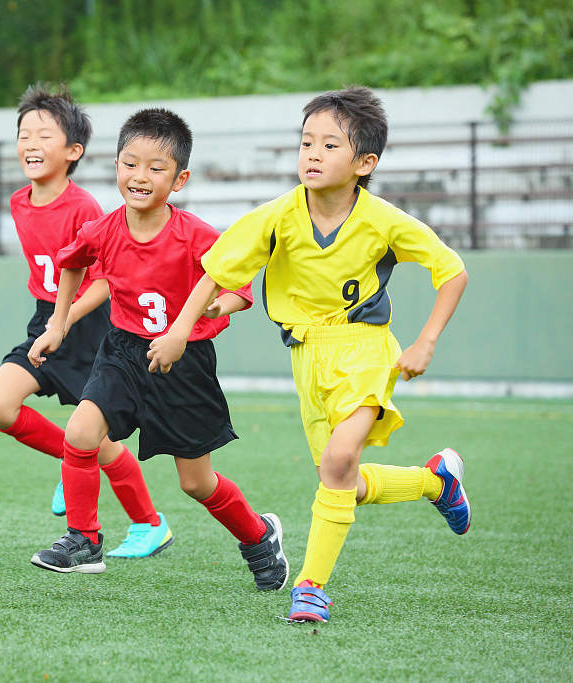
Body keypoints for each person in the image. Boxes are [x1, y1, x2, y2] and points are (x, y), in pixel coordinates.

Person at [155, 86, 471, 622]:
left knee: (340, 461)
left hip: (365, 348)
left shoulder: (384, 220)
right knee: (341, 477)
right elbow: (215, 272)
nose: (313, 154)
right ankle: (435, 481)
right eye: (306, 143)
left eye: (329, 145)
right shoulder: (277, 216)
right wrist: (181, 330)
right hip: (306, 355)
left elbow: (452, 272)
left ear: (364, 163)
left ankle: (310, 587)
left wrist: (426, 341)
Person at [27, 107, 289, 590]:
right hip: (123, 351)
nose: (139, 176)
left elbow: (240, 290)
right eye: (130, 164)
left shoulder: (196, 235)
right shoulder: (104, 229)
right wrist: (58, 324)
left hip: (185, 366)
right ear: (116, 166)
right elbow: (72, 263)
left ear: (179, 179)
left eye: (155, 167)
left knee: (196, 483)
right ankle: (83, 539)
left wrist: (213, 309)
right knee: (81, 431)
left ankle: (258, 536)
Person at [0, 83, 174, 560]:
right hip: (46, 319)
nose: (30, 144)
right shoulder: (18, 202)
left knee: (96, 440)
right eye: (24, 135)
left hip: (89, 327)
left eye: (44, 135)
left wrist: (63, 321)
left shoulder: (84, 208)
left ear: (73, 151)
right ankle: (72, 463)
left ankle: (150, 524)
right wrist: (51, 321)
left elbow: (105, 280)